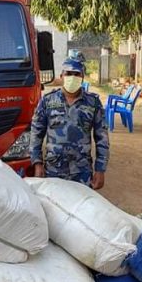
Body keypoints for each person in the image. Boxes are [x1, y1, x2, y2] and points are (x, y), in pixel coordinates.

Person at [30, 58, 109, 189]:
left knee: (81, 207)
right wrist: (37, 163)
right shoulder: (48, 101)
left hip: (82, 171)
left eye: (77, 74)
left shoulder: (93, 102)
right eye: (68, 74)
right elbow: (36, 133)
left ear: (83, 77)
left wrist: (100, 169)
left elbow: (102, 138)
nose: (72, 77)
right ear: (61, 76)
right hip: (53, 170)